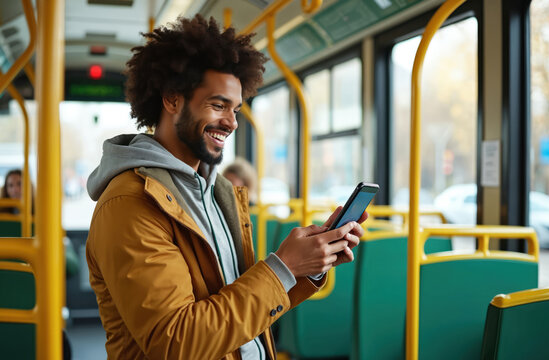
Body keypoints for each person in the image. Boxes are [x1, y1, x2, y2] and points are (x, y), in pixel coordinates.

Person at [86, 15, 366, 360]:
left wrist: (309, 264)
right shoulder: (130, 203)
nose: (232, 122)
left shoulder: (217, 193)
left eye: (235, 109)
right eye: (218, 105)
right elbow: (175, 343)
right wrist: (284, 268)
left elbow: (238, 311)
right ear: (172, 100)